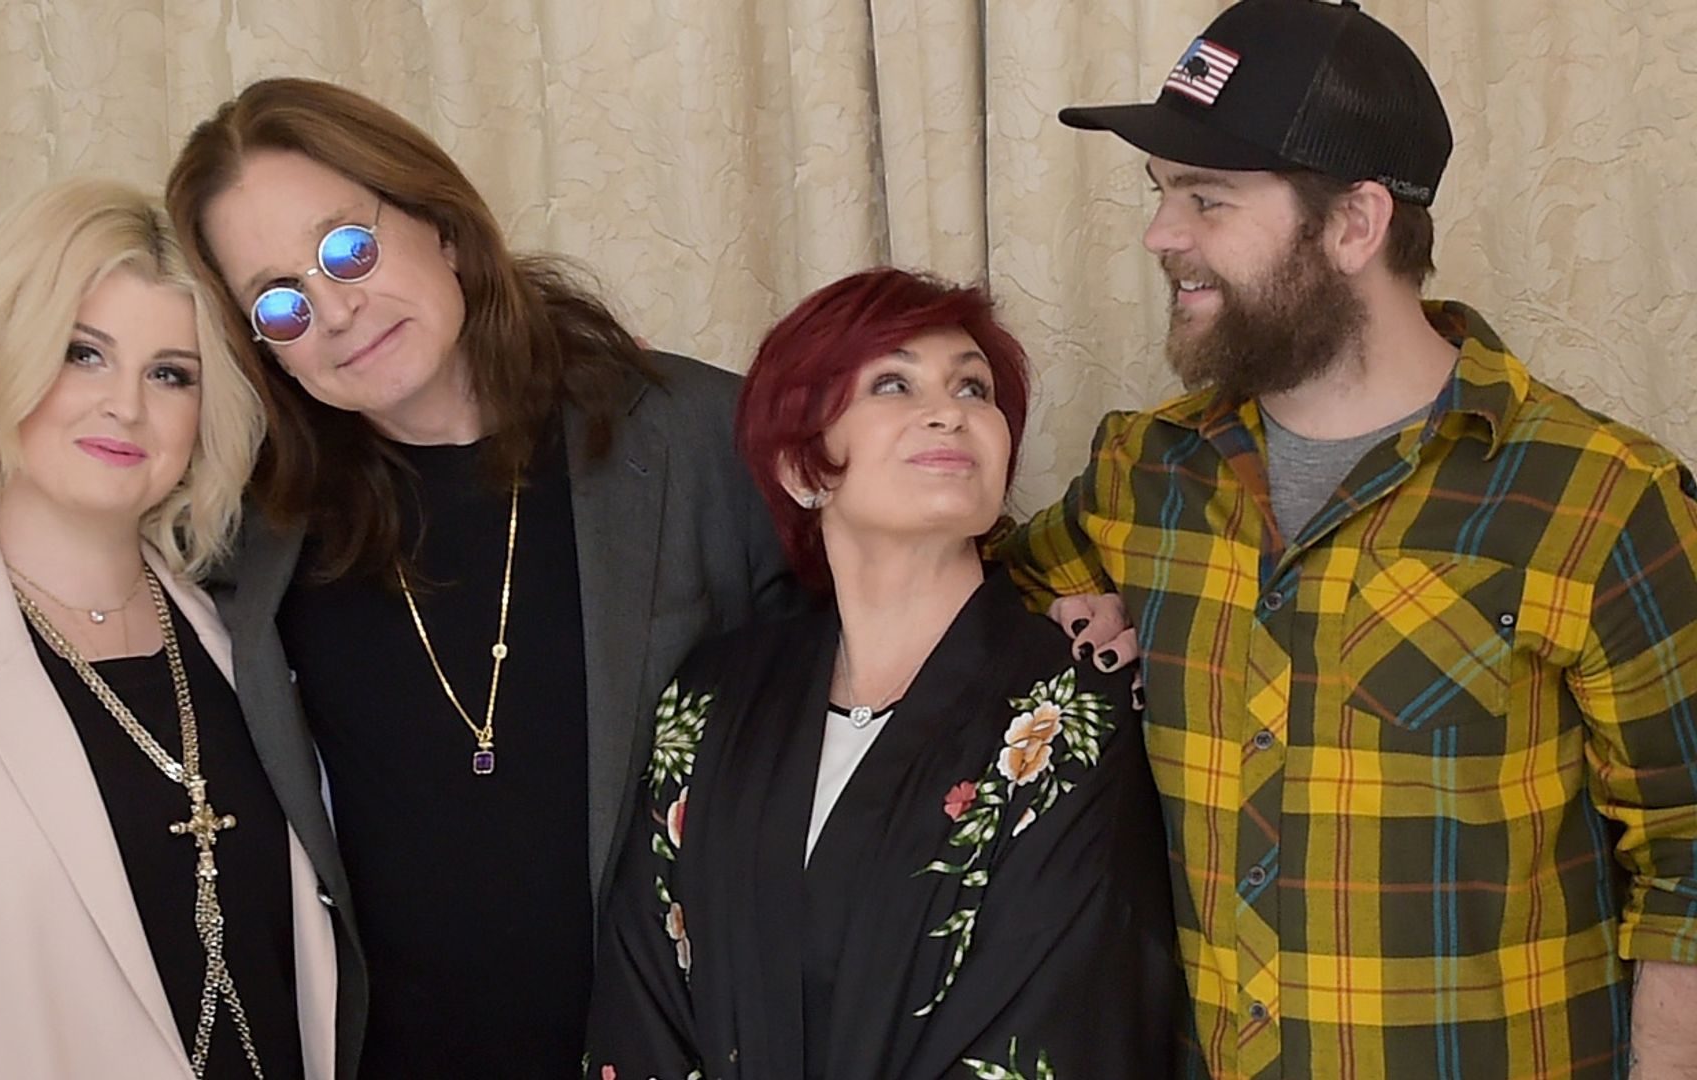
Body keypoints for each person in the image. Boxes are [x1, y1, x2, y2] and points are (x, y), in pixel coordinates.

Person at [996, 0, 1697, 1076]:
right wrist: (1060, 623)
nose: (1161, 235)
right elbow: (966, 621)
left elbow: (1690, 858)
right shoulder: (1147, 476)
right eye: (1162, 195)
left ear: (1356, 224)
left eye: (1207, 198)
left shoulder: (1602, 498)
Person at [162, 78, 800, 1076]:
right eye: (278, 302)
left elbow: (905, 640)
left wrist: (1070, 594)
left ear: (443, 226)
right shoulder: (255, 530)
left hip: (680, 1049)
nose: (333, 311)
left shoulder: (696, 438)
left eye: (349, 248)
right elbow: (55, 583)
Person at [0, 178, 339, 1079]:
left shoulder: (255, 643)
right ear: (3, 357)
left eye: (170, 373)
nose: (126, 405)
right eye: (84, 354)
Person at [584, 268, 1181, 1079]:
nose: (949, 411)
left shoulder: (1075, 701)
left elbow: (1065, 1014)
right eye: (892, 383)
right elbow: (645, 994)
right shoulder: (712, 697)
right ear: (804, 468)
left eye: (974, 388)